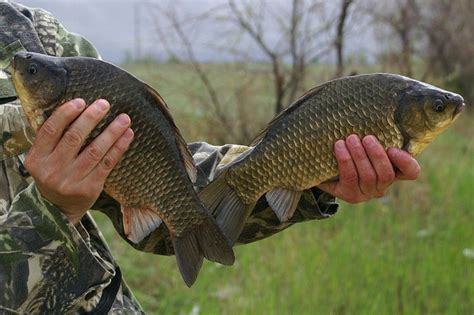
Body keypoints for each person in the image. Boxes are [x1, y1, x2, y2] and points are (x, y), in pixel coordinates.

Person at [0, 2, 421, 314]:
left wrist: (307, 172)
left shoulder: (29, 35)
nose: (26, 67)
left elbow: (154, 173)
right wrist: (49, 212)